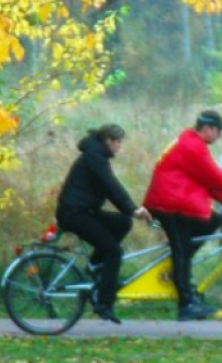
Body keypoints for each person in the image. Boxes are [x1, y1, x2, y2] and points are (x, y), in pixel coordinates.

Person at [142, 110, 222, 321]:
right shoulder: (193, 146)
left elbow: (205, 179)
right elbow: (213, 176)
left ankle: (185, 282)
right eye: (218, 131)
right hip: (169, 202)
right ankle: (186, 303)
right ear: (207, 129)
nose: (219, 136)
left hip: (173, 200)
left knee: (208, 225)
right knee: (181, 249)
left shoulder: (191, 142)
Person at [55, 124, 151, 325]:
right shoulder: (95, 156)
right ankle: (105, 303)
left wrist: (130, 212)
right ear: (108, 140)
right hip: (75, 214)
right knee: (114, 252)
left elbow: (109, 189)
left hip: (83, 211)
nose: (119, 147)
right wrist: (134, 209)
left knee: (122, 223)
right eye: (118, 142)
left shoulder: (96, 155)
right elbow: (111, 185)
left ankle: (96, 267)